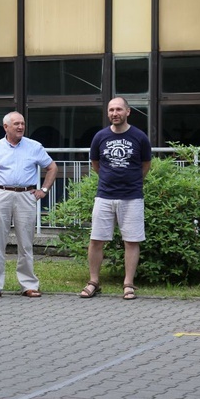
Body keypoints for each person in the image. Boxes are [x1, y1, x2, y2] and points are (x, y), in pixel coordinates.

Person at [0, 111, 58, 300]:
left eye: (22, 123)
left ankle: (29, 285)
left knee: (26, 243)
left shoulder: (34, 147)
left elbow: (52, 167)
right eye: (16, 124)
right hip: (2, 194)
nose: (21, 127)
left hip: (26, 195)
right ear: (6, 127)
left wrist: (44, 190)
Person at [80, 97, 152, 300]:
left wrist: (134, 181)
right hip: (104, 196)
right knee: (96, 240)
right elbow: (95, 163)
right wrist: (107, 178)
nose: (114, 113)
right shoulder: (100, 136)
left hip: (132, 197)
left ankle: (128, 284)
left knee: (131, 241)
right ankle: (93, 281)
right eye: (111, 110)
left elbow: (146, 164)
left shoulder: (139, 137)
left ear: (128, 112)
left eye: (119, 109)